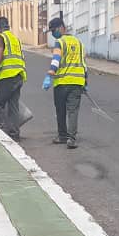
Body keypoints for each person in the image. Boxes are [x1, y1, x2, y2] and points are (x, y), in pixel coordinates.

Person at [42, 16, 87, 149]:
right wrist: (86, 81)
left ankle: (62, 136)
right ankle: (72, 139)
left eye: (54, 30)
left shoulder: (60, 42)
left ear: (62, 27)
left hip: (62, 83)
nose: (53, 33)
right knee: (73, 111)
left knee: (61, 110)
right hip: (77, 82)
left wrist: (49, 75)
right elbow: (84, 64)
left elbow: (56, 60)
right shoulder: (79, 43)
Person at [0, 16, 26, 140]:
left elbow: (0, 54)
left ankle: (2, 133)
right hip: (19, 75)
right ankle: (15, 134)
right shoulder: (15, 39)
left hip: (7, 76)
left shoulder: (0, 37)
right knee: (13, 106)